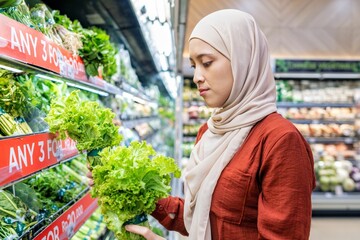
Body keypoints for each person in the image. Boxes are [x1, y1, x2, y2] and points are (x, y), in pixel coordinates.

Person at [91, 9, 316, 240]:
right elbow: (198, 218)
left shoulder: (280, 141)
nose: (197, 76)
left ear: (242, 59)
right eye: (193, 65)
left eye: (207, 63)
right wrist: (130, 186)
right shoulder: (209, 131)